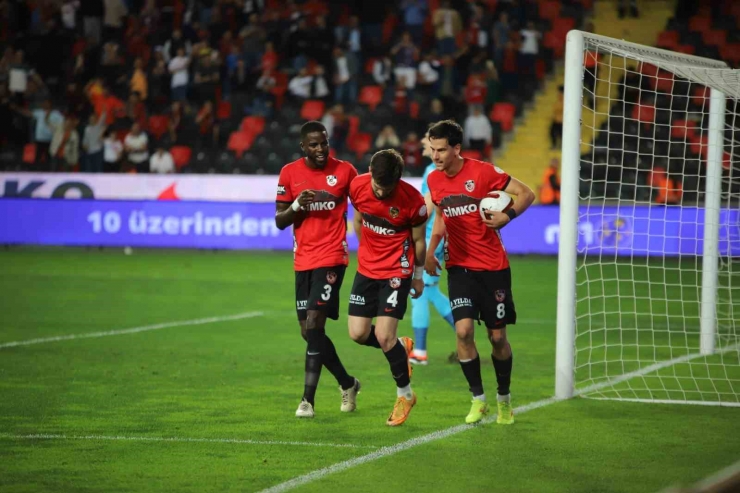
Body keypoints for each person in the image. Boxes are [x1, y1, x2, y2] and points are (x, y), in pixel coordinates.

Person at [425, 120, 535, 425]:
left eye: (442, 149)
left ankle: (504, 399)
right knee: (463, 331)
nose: (435, 155)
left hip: (493, 268)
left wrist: (506, 216)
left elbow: (526, 194)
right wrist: (432, 252)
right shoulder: (435, 181)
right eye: (432, 149)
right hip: (459, 268)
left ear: (457, 148)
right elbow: (441, 217)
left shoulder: (484, 172)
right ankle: (478, 399)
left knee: (497, 337)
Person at [275, 121, 361, 419]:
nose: (321, 149)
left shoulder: (346, 171)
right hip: (303, 261)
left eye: (324, 142)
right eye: (314, 144)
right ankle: (348, 383)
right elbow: (280, 220)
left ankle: (306, 401)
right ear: (303, 147)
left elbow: (366, 200)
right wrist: (297, 205)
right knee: (308, 332)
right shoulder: (289, 173)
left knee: (313, 325)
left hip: (332, 257)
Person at [348, 149, 427, 426]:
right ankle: (399, 346)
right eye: (376, 186)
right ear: (369, 172)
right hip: (366, 270)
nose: (380, 193)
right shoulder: (357, 186)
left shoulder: (413, 202)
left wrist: (417, 276)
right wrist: (366, 252)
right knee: (357, 334)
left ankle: (405, 395)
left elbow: (418, 241)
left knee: (383, 336)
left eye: (386, 188)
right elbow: (358, 220)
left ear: (398, 180)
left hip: (397, 271)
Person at [409, 132, 457, 366]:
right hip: (439, 237)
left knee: (417, 293)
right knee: (431, 292)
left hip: (430, 238)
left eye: (425, 141)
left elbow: (427, 207)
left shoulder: (432, 172)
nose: (423, 145)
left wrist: (412, 231)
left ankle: (419, 352)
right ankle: (464, 334)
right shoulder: (437, 170)